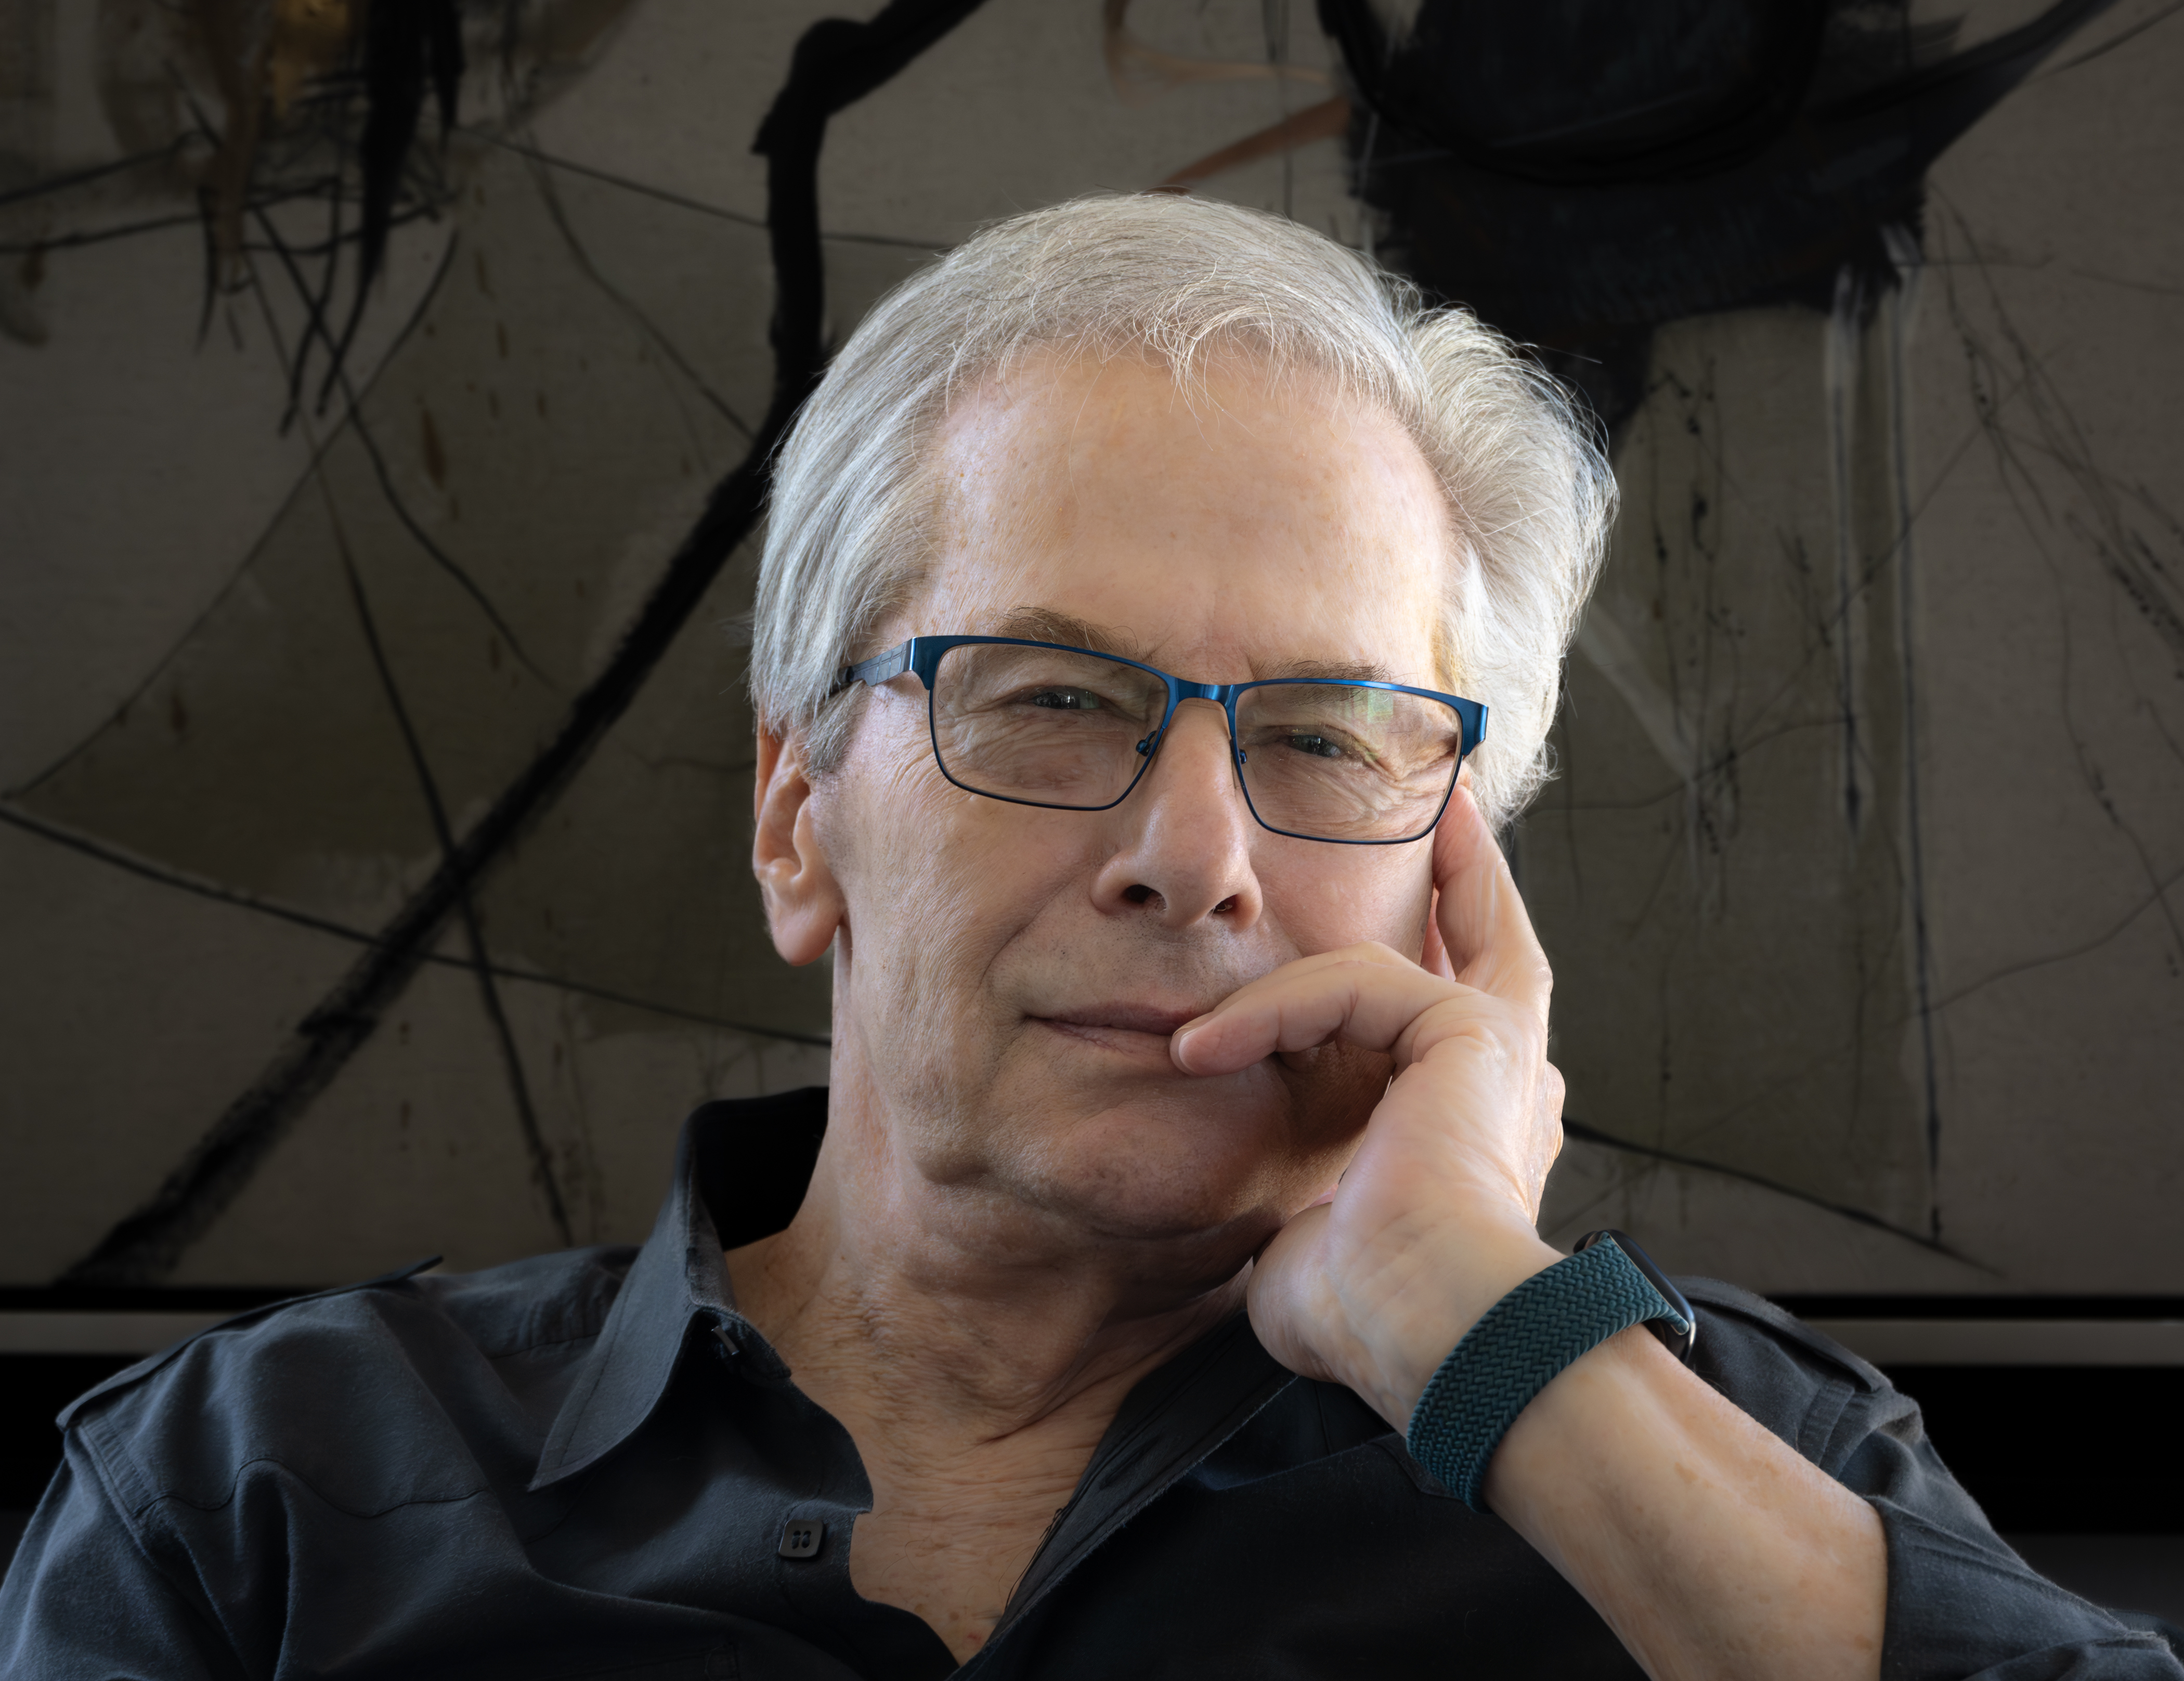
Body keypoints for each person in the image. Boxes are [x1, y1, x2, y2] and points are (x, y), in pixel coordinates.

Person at [3, 195, 2175, 1680]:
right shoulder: (253, 1500)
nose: (1193, 858)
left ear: (1454, 877)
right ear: (798, 819)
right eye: (1052, 698)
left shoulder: (1727, 1460)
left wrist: (1468, 1323)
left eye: (1323, 735)